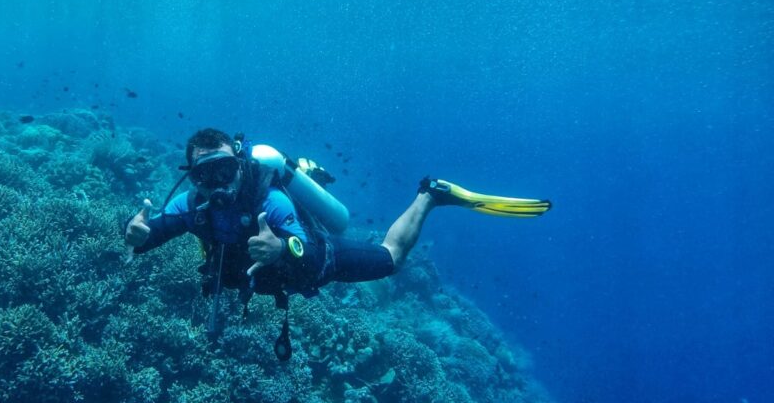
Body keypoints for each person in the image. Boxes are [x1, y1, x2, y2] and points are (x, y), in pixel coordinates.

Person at [124, 128, 550, 358]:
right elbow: (157, 229)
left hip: (317, 262)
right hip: (260, 278)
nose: (216, 185)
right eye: (204, 176)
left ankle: (430, 195)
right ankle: (308, 169)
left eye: (224, 172)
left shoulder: (266, 199)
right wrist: (140, 236)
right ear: (192, 177)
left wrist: (283, 249)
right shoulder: (191, 203)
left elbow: (300, 242)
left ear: (240, 166)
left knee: (391, 259)